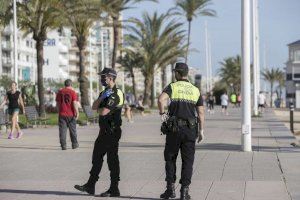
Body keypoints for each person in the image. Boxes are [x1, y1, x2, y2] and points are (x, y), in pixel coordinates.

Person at [158, 62, 205, 200]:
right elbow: (201, 112)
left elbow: (161, 100)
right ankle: (184, 192)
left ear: (177, 73)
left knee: (170, 158)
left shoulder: (173, 86)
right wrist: (201, 130)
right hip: (190, 130)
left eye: (175, 72)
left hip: (174, 129)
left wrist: (163, 114)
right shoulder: (195, 90)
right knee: (188, 161)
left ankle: (170, 190)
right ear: (187, 74)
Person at [74, 68, 124, 197]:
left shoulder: (117, 93)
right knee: (96, 158)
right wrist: (102, 97)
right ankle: (90, 185)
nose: (102, 79)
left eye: (104, 77)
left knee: (112, 160)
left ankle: (114, 188)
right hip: (103, 131)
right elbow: (94, 107)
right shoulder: (105, 92)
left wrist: (101, 104)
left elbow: (103, 112)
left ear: (111, 78)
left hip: (112, 132)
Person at [56, 79, 79, 150]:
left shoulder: (60, 92)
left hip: (62, 114)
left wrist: (59, 111)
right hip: (71, 114)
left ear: (65, 85)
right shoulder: (73, 92)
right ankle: (74, 144)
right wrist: (77, 112)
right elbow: (74, 103)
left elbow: (58, 104)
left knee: (62, 130)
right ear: (71, 85)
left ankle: (63, 145)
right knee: (73, 130)